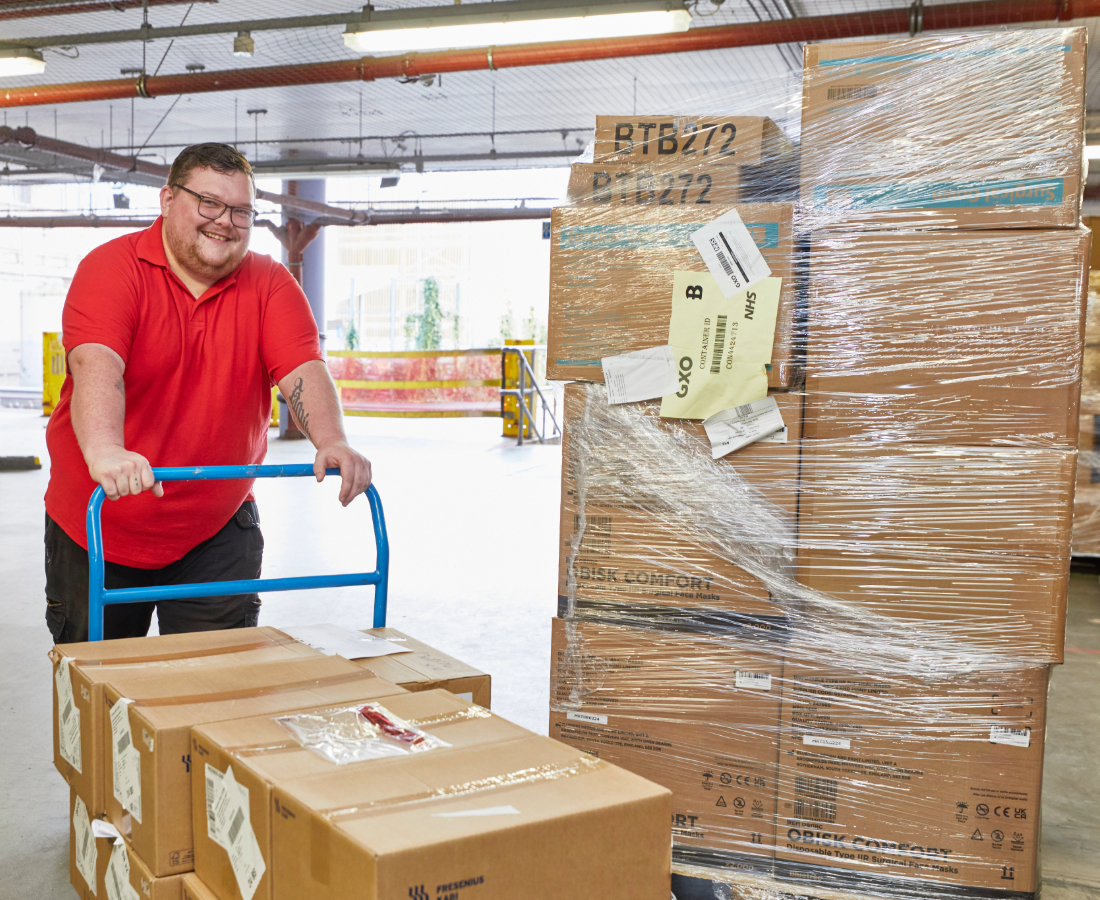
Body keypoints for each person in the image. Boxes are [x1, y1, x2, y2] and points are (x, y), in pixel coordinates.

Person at [43, 142, 371, 644]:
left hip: (215, 528)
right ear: (168, 199)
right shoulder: (112, 269)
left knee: (215, 688)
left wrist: (331, 438)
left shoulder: (269, 283)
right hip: (100, 524)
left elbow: (303, 368)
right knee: (98, 695)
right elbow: (96, 365)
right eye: (209, 203)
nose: (225, 221)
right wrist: (107, 450)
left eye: (241, 210)